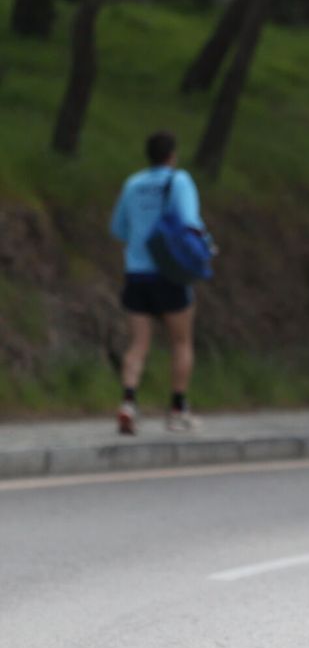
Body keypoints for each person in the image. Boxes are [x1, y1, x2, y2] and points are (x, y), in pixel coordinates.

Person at [109, 130, 207, 435]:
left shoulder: (132, 184)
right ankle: (177, 410)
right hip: (169, 273)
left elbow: (119, 229)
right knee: (181, 341)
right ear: (172, 155)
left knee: (138, 343)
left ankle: (128, 403)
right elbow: (190, 223)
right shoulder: (179, 181)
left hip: (136, 272)